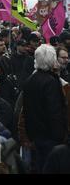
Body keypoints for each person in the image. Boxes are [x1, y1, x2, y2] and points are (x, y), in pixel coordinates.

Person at [22, 44, 68, 172]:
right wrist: (60, 135)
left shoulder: (30, 80)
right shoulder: (50, 82)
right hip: (50, 137)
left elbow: (26, 110)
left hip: (35, 135)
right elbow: (54, 111)